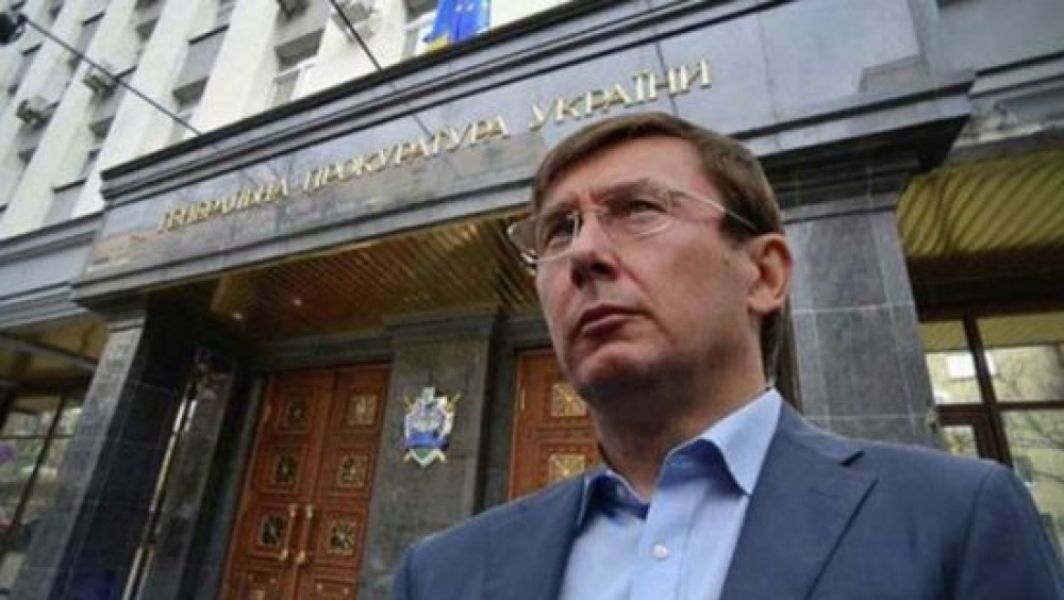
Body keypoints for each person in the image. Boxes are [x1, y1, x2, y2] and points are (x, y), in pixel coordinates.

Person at [391, 112, 1064, 599]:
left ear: (764, 274)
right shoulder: (442, 574)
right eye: (558, 230)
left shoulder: (956, 519)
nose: (584, 253)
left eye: (638, 208)